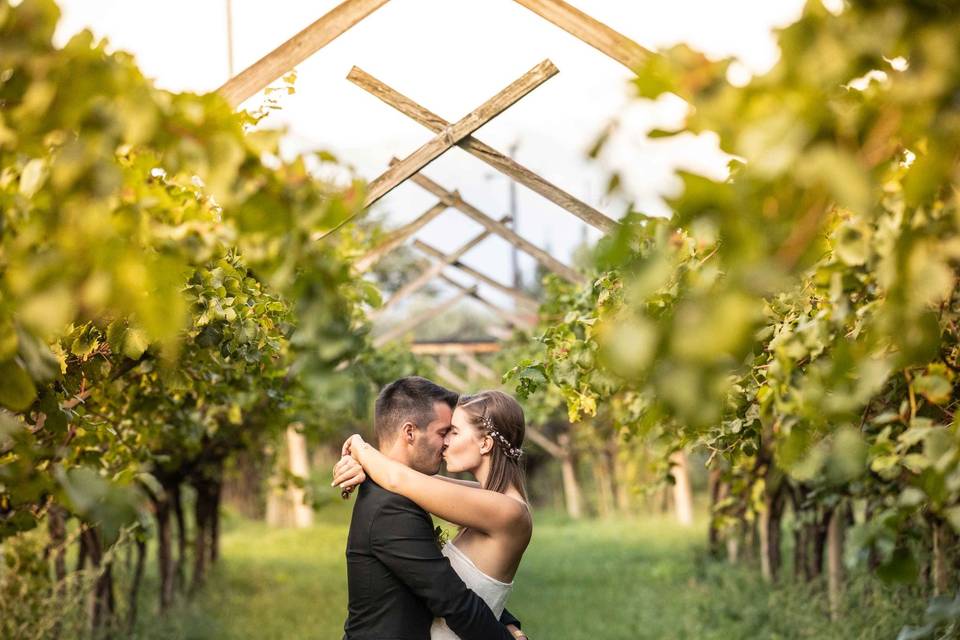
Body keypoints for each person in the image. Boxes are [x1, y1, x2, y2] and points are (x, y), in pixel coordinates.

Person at [334, 379, 532, 640]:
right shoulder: (390, 505)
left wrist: (359, 447)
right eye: (444, 432)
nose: (447, 442)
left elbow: (453, 592)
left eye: (454, 432)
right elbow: (453, 587)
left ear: (485, 444)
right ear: (410, 433)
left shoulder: (505, 508)